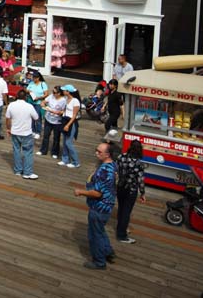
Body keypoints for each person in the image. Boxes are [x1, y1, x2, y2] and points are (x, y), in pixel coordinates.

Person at [74, 141, 119, 269]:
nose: (96, 153)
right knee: (100, 230)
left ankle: (99, 262)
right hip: (108, 204)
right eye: (96, 149)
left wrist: (80, 192)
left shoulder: (104, 172)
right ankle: (108, 251)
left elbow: (97, 193)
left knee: (94, 235)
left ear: (108, 154)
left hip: (99, 207)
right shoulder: (113, 166)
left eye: (99, 152)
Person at [114, 139, 147, 243]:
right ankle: (121, 235)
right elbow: (140, 180)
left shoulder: (121, 157)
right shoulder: (139, 163)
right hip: (131, 189)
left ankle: (120, 228)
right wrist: (142, 193)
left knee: (121, 208)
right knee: (126, 212)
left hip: (120, 186)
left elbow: (116, 169)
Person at [6, 89, 39, 179]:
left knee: (16, 151)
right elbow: (36, 117)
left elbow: (8, 118)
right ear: (26, 97)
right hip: (26, 133)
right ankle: (27, 172)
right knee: (27, 152)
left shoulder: (11, 105)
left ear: (17, 96)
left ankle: (18, 170)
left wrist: (8, 129)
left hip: (15, 132)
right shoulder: (29, 106)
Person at [39, 86, 66, 159]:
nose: (53, 93)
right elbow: (43, 102)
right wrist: (43, 105)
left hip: (57, 121)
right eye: (53, 92)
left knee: (56, 138)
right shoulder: (51, 96)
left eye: (55, 92)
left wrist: (57, 112)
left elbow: (64, 111)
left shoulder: (63, 100)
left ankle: (55, 152)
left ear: (59, 93)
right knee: (46, 136)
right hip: (48, 119)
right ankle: (43, 150)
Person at [59, 85, 82, 168]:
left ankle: (76, 162)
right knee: (64, 142)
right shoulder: (66, 99)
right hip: (65, 120)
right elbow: (65, 110)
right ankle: (65, 159)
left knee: (69, 143)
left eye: (64, 90)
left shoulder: (75, 101)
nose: (63, 91)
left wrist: (68, 125)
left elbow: (74, 115)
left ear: (68, 92)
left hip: (71, 123)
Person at [25, 71, 48, 139]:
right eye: (33, 77)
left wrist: (39, 97)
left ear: (38, 78)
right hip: (30, 102)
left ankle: (38, 131)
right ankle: (32, 130)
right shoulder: (31, 83)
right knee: (31, 116)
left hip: (38, 103)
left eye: (35, 78)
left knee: (38, 117)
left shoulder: (43, 84)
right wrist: (29, 91)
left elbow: (46, 94)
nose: (33, 79)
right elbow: (27, 89)